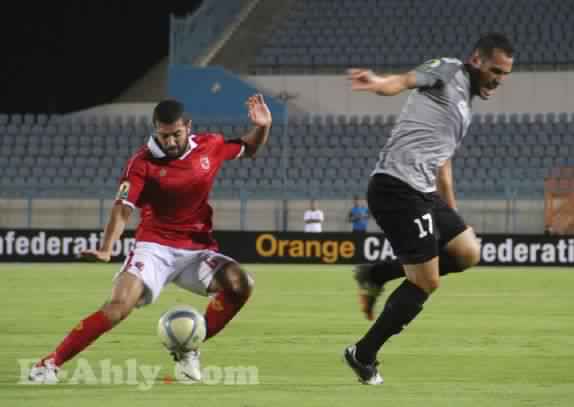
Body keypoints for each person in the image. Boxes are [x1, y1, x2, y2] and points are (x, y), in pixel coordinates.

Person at [29, 95, 272, 384]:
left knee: (240, 284)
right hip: (154, 247)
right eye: (164, 135)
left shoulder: (211, 146)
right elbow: (122, 209)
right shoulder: (141, 162)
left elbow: (249, 147)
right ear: (156, 130)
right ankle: (49, 363)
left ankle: (187, 348)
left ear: (188, 127)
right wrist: (107, 248)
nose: (169, 142)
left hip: (197, 249)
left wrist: (263, 126)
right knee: (119, 306)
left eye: (176, 135)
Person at [343, 33, 514, 385]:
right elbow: (406, 80)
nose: (499, 78)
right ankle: (363, 354)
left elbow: (443, 161)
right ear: (477, 60)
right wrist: (378, 82)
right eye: (495, 69)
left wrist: (451, 214)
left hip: (423, 191)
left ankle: (375, 274)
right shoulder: (450, 70)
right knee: (426, 282)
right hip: (396, 186)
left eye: (505, 73)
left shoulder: (465, 104)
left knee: (467, 251)